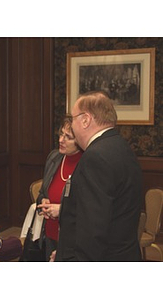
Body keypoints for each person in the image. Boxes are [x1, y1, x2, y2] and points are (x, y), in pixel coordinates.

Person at [51, 91, 142, 261]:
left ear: (85, 120)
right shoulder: (121, 147)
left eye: (73, 119)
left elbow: (92, 230)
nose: (71, 124)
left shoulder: (95, 157)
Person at [36, 117, 82, 260]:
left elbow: (88, 207)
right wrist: (43, 201)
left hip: (72, 239)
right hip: (49, 233)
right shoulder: (54, 158)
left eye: (68, 137)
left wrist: (61, 210)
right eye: (61, 134)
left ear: (80, 140)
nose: (61, 140)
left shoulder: (87, 164)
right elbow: (42, 193)